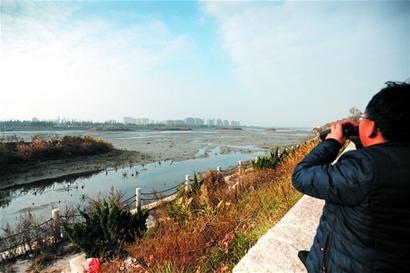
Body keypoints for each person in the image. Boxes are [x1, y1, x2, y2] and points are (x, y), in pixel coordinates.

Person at [292, 81, 410, 273]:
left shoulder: (363, 170)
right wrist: (360, 137)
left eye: (363, 117)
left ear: (371, 126)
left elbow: (301, 176)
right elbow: (383, 159)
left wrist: (332, 142)